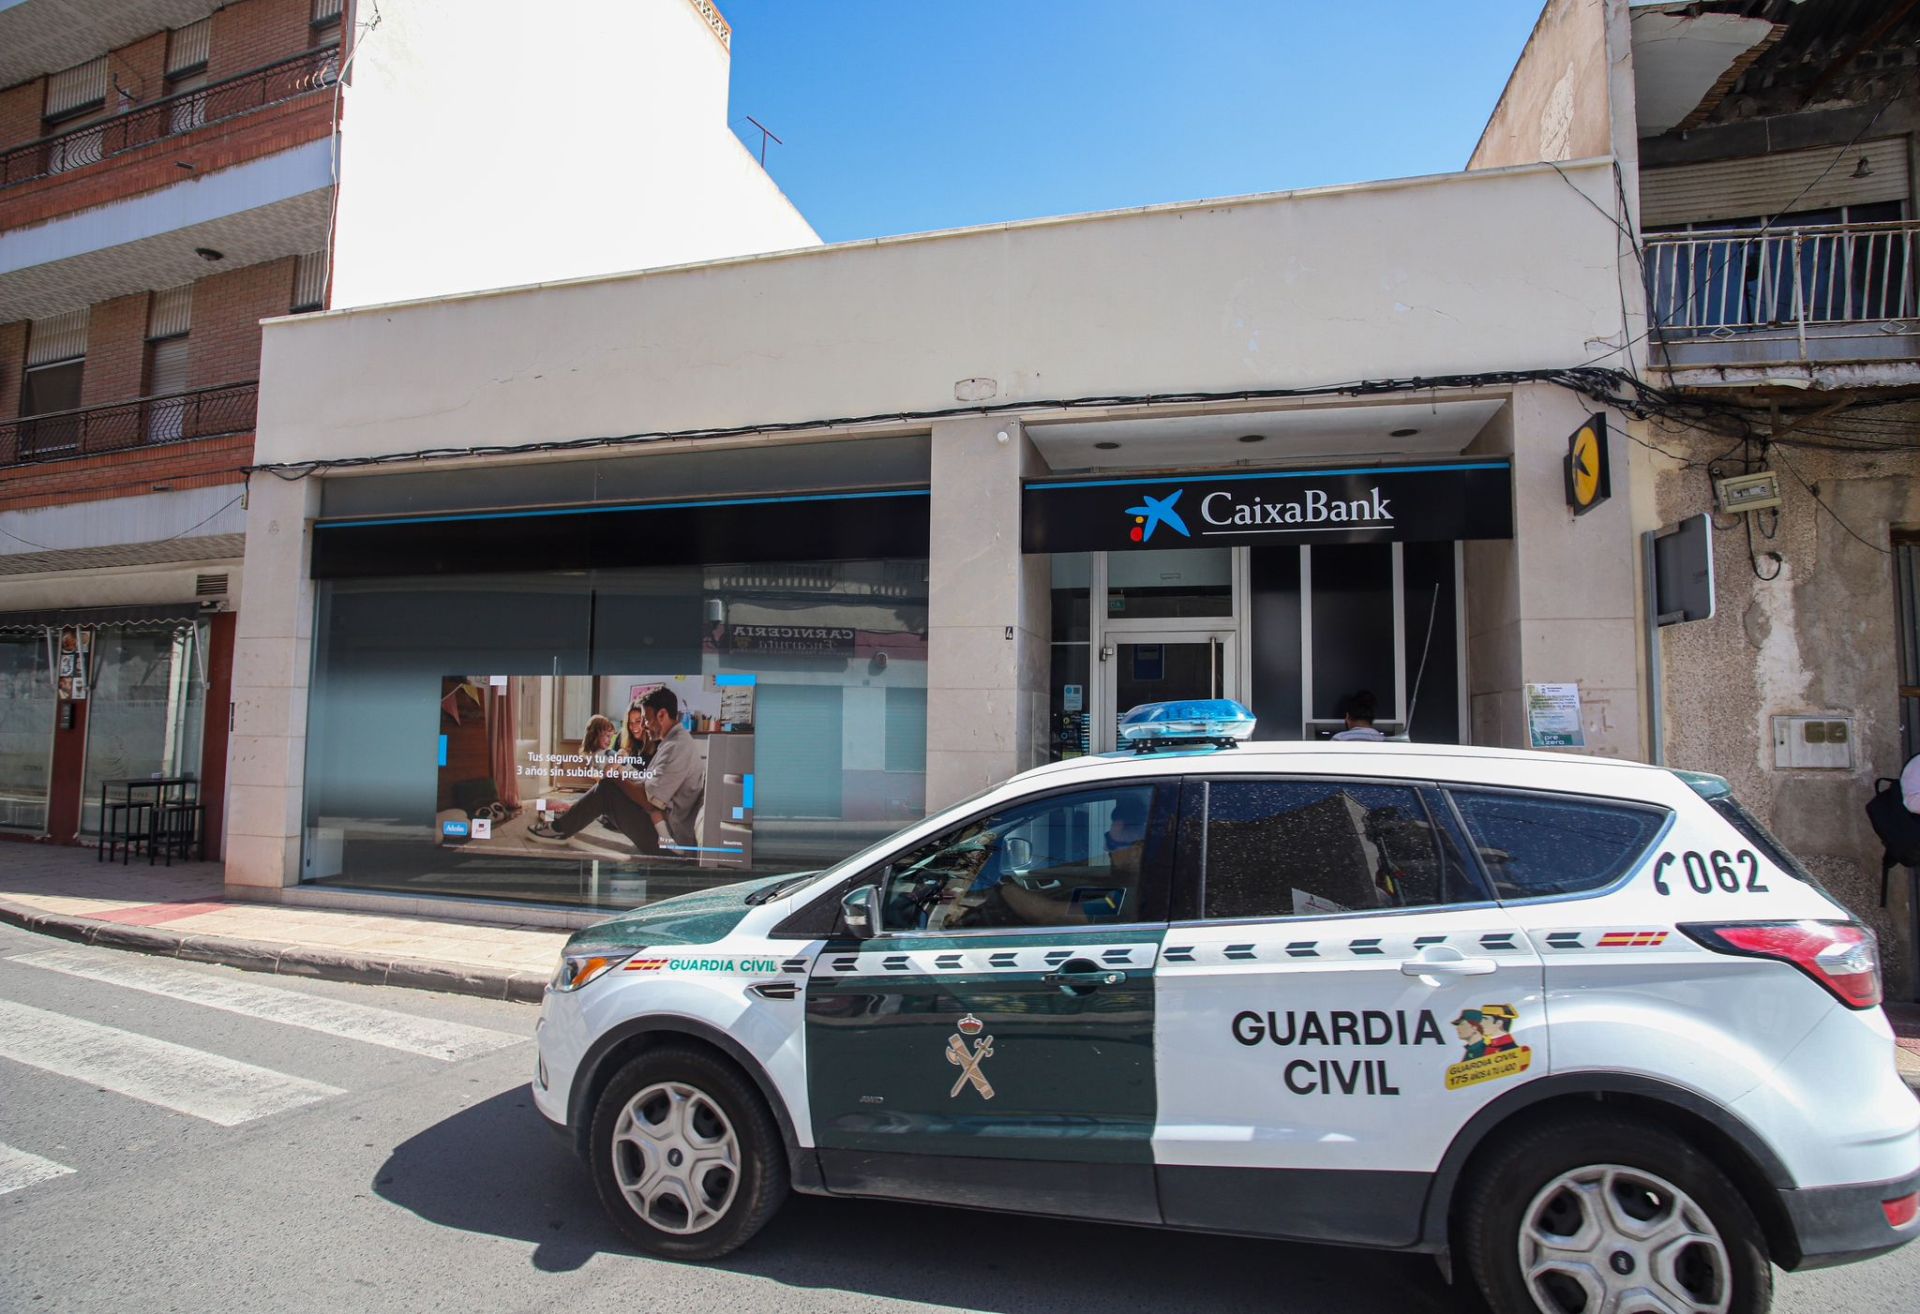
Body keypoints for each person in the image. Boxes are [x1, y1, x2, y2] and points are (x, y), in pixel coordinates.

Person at [529, 688, 706, 855]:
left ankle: (559, 829)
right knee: (603, 791)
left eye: (645, 719)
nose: (643, 726)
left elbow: (649, 802)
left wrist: (616, 776)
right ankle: (562, 820)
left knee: (607, 788)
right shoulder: (673, 741)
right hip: (665, 826)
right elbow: (650, 787)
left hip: (669, 843)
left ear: (662, 715)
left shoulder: (676, 746)